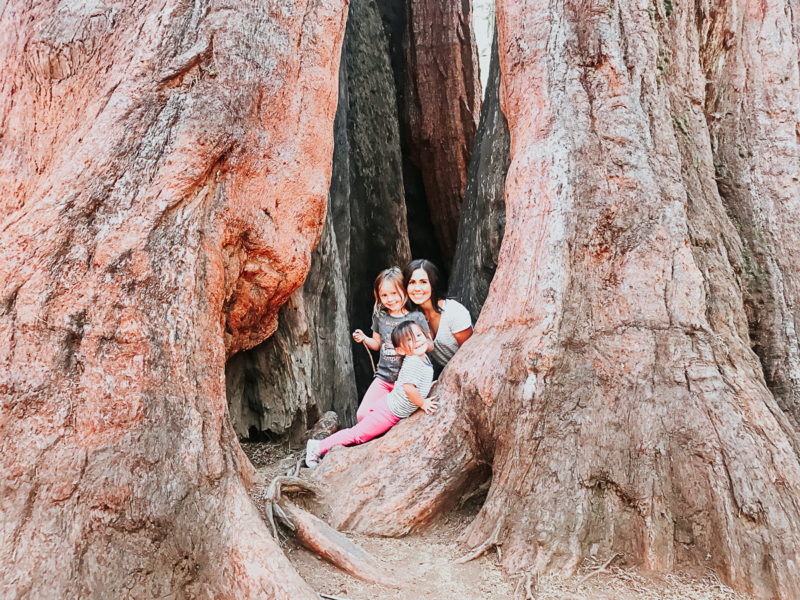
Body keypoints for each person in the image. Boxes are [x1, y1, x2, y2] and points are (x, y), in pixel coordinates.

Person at [306, 320, 436, 466]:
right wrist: (423, 403)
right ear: (400, 351)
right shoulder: (414, 362)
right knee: (357, 434)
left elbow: (418, 383)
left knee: (361, 433)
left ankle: (322, 447)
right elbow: (409, 388)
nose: (417, 341)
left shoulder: (422, 357)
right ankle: (317, 447)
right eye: (410, 340)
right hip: (388, 412)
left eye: (419, 335)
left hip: (391, 407)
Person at [351, 266, 429, 423]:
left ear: (404, 290)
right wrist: (365, 338)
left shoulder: (416, 317)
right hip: (384, 378)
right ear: (378, 297)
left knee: (397, 418)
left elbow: (429, 344)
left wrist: (417, 347)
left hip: (408, 381)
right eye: (384, 295)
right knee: (363, 415)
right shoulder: (380, 318)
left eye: (394, 293)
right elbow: (376, 344)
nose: (390, 299)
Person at [404, 259, 473, 369]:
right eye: (412, 282)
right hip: (445, 375)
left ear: (433, 284)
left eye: (423, 282)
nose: (417, 288)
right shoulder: (414, 318)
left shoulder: (453, 311)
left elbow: (471, 354)